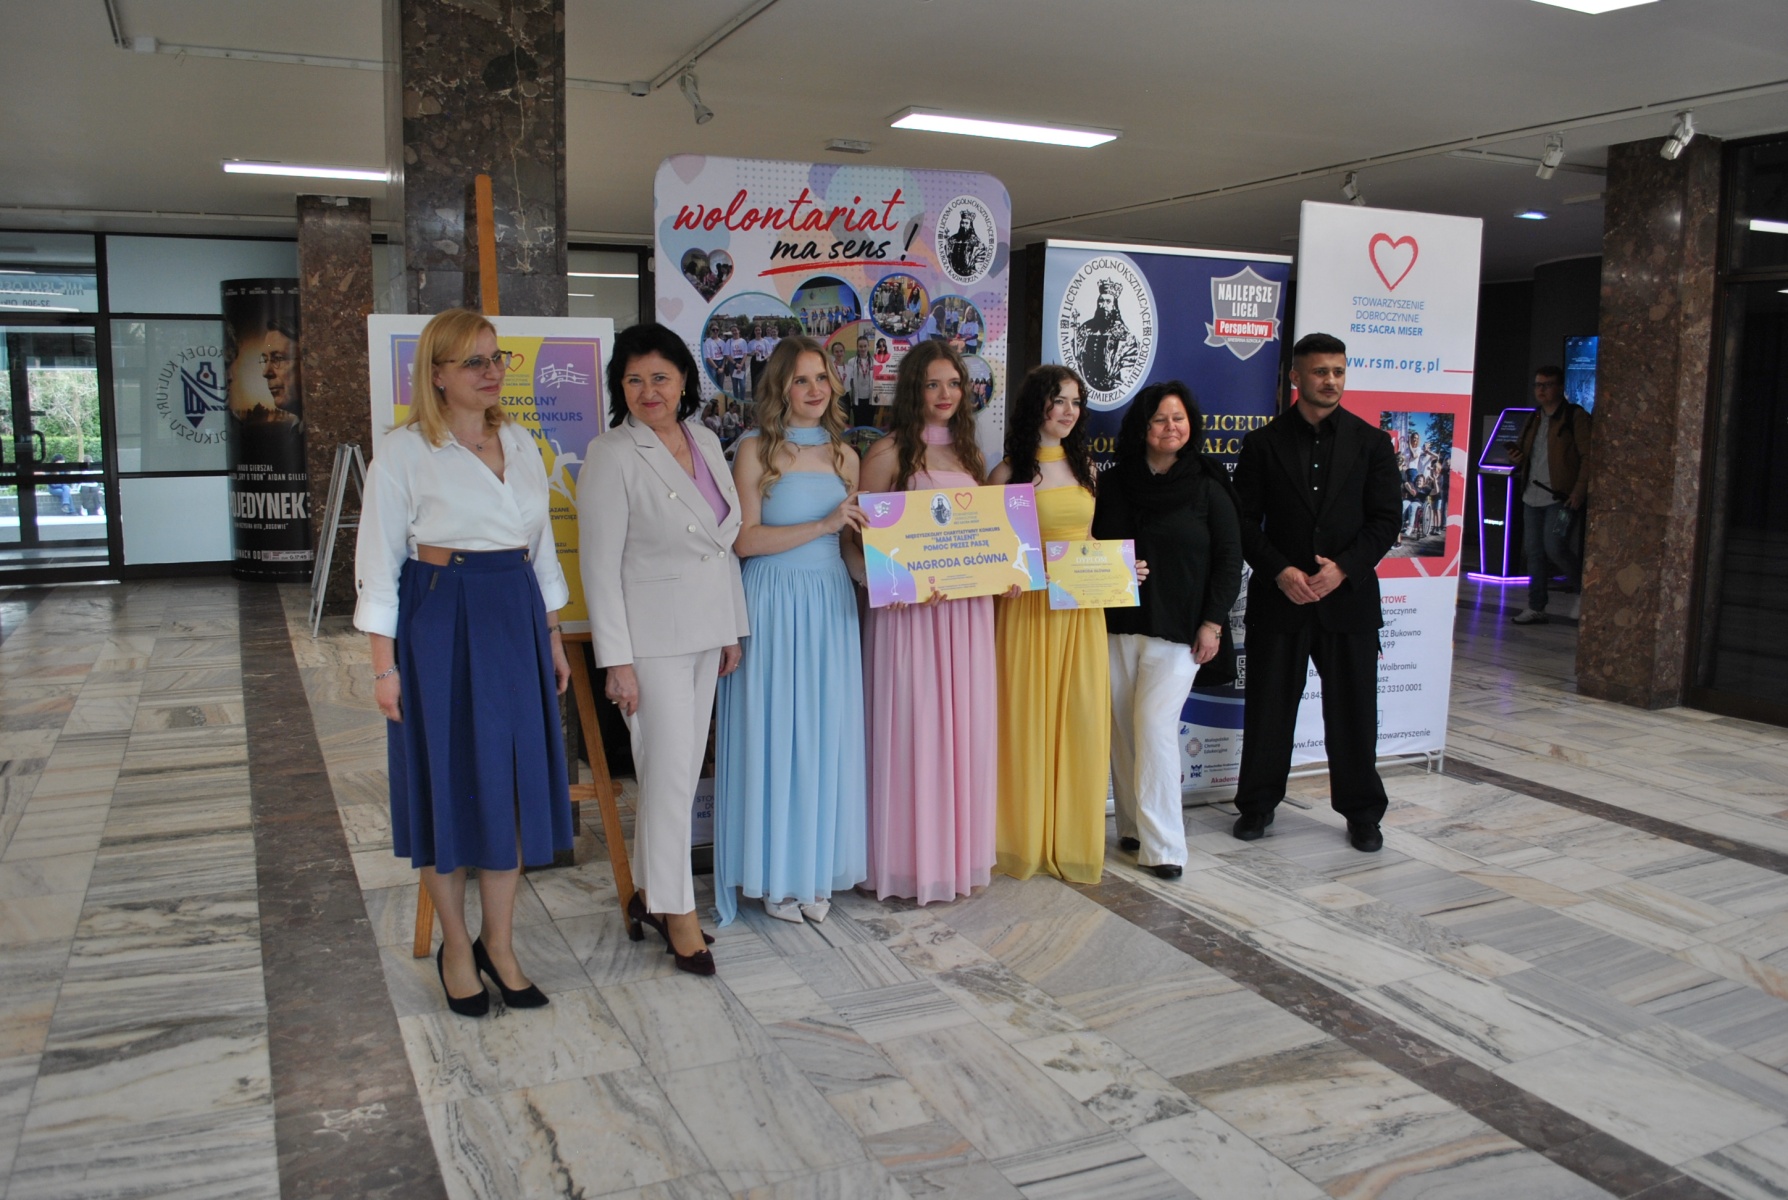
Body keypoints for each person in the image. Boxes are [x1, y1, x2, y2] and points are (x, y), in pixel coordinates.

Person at [354, 307, 573, 1017]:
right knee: (445, 785)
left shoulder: (521, 442)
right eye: (473, 361)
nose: (490, 371)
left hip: (514, 611)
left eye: (496, 358)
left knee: (511, 785)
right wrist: (384, 667)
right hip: (441, 615)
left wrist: (552, 637)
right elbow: (378, 565)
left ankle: (499, 944)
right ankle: (456, 946)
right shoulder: (405, 451)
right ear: (438, 374)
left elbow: (540, 549)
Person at [578, 322, 749, 976]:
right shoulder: (611, 453)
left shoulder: (702, 439)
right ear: (619, 387)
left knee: (672, 774)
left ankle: (653, 893)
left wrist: (730, 626)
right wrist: (616, 662)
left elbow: (720, 544)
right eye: (634, 379)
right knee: (671, 778)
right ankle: (678, 913)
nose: (648, 390)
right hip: (649, 642)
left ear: (684, 382)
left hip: (706, 631)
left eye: (661, 377)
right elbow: (599, 567)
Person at [714, 337, 868, 925]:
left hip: (830, 602)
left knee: (824, 733)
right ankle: (776, 876)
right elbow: (745, 540)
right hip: (773, 601)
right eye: (801, 379)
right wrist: (823, 524)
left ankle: (813, 869)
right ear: (780, 386)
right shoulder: (755, 449)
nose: (814, 389)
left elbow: (847, 547)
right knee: (776, 732)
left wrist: (885, 578)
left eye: (822, 377)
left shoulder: (846, 456)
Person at [1230, 333, 1401, 853]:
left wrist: (1343, 569)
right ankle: (1257, 805)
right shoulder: (1262, 443)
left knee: (1354, 714)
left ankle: (1363, 814)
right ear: (1296, 377)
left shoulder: (1373, 443)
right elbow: (1242, 521)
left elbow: (1386, 520)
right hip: (1280, 600)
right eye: (1321, 371)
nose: (1331, 381)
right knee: (1268, 711)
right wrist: (1280, 570)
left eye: (1338, 371)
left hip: (1348, 602)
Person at [859, 340, 996, 903]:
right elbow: (861, 540)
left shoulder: (970, 454)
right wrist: (889, 580)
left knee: (963, 730)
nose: (945, 394)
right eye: (933, 383)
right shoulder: (887, 451)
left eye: (954, 384)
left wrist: (1004, 572)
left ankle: (954, 859)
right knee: (913, 727)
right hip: (910, 617)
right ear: (913, 388)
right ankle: (904, 862)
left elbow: (987, 537)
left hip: (965, 614)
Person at [1092, 382, 1242, 878]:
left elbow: (1229, 560)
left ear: (1191, 425)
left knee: (1154, 727)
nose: (1170, 427)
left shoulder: (1209, 485)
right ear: (1143, 427)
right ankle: (1132, 828)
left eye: (1178, 418)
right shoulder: (1115, 483)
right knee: (1123, 728)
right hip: (1118, 625)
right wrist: (1112, 567)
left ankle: (1165, 847)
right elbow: (1093, 547)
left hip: (1180, 630)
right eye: (1160, 419)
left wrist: (1212, 623)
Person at [990, 365, 1111, 884]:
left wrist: (1119, 570)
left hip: (1079, 612)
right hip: (1028, 613)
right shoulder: (1007, 473)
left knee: (1079, 721)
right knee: (1025, 720)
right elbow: (994, 557)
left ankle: (1070, 840)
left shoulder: (1087, 467)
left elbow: (1087, 541)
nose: (1068, 411)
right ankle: (1022, 840)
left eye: (1076, 402)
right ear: (1036, 404)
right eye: (1059, 400)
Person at [1509, 366, 1592, 625]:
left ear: (1560, 387)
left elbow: (1588, 456)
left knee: (1555, 547)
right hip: (1531, 495)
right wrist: (1516, 458)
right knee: (1534, 552)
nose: (1541, 390)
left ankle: (1587, 594)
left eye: (1547, 385)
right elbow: (1524, 452)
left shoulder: (1575, 416)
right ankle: (1536, 606)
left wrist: (1579, 490)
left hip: (1561, 497)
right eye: (1538, 385)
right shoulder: (1534, 417)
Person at [1071, 279, 1139, 393]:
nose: (1103, 305)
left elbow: (1128, 366)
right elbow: (1074, 355)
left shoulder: (1125, 336)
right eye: (1101, 301)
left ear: (1114, 306)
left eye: (1108, 301)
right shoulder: (1085, 328)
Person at [843, 335, 877, 427]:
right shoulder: (851, 362)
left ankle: (868, 436)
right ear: (857, 347)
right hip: (857, 398)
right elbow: (849, 380)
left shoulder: (874, 361)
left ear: (868, 346)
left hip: (870, 397)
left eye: (865, 346)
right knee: (858, 422)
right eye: (860, 346)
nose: (863, 349)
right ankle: (858, 435)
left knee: (869, 421)